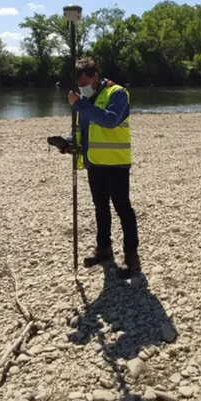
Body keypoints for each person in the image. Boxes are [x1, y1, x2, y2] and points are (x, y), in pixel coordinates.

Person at [63, 57, 141, 273]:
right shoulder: (85, 99)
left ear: (95, 77)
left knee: (122, 208)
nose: (83, 88)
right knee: (100, 207)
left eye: (86, 83)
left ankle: (132, 256)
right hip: (94, 163)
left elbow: (110, 120)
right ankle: (104, 247)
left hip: (116, 162)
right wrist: (69, 142)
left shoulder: (117, 93)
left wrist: (80, 104)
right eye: (79, 85)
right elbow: (82, 128)